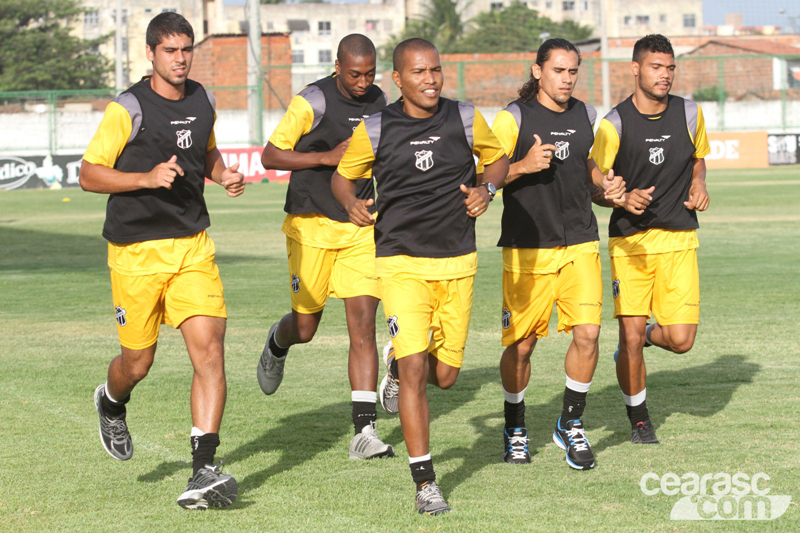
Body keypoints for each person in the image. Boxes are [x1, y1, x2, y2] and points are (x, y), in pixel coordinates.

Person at [332, 38, 509, 515]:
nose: (430, 79)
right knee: (416, 369)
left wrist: (486, 188)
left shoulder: (466, 117)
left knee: (445, 377)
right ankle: (425, 481)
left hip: (458, 260)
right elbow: (342, 177)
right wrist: (351, 203)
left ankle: (394, 366)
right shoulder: (375, 127)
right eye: (419, 72)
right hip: (400, 262)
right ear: (398, 79)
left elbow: (498, 159)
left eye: (435, 70)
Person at [79, 12, 244, 509]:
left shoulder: (204, 99)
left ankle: (203, 468)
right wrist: (144, 179)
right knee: (138, 363)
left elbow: (206, 154)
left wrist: (223, 175)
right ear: (150, 54)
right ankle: (111, 401)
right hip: (135, 251)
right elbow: (89, 174)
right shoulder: (127, 108)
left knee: (210, 350)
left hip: (192, 244)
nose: (180, 58)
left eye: (186, 49)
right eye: (170, 50)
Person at [256, 34, 394, 460]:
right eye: (355, 74)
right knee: (306, 328)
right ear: (338, 66)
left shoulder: (380, 101)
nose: (363, 81)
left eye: (370, 73)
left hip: (358, 226)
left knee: (362, 326)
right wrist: (324, 157)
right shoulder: (310, 101)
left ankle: (364, 432)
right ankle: (277, 345)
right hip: (310, 224)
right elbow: (270, 156)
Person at [491, 38, 625, 470]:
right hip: (528, 249)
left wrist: (607, 188)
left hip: (581, 242)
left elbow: (590, 174)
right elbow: (484, 177)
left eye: (572, 71)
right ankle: (515, 427)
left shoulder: (587, 115)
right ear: (537, 71)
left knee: (588, 334)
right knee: (523, 345)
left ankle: (571, 424)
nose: (566, 79)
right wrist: (522, 166)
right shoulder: (513, 117)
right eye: (558, 71)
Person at [590, 34, 710, 444]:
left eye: (670, 68)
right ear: (636, 69)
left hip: (680, 240)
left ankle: (638, 337)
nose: (665, 75)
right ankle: (639, 418)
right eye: (657, 67)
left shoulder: (690, 113)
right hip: (631, 244)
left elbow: (698, 158)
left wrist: (699, 183)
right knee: (629, 336)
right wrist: (620, 199)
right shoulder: (613, 124)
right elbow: (594, 187)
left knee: (681, 340)